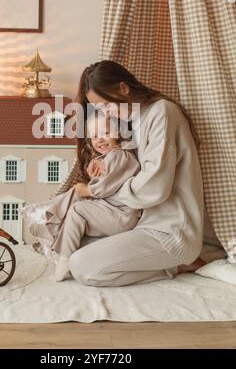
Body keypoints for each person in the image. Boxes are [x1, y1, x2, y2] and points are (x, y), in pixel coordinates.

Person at [66, 60, 207, 287]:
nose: (106, 113)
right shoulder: (133, 120)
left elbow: (154, 187)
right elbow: (127, 167)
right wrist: (103, 167)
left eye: (107, 105)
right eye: (100, 109)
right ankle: (167, 262)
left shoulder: (162, 112)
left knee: (81, 266)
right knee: (74, 239)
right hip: (142, 224)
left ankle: (176, 265)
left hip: (171, 232)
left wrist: (97, 191)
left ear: (123, 88)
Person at [22, 111, 142, 281]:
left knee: (78, 207)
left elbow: (105, 187)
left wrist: (87, 189)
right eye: (94, 136)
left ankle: (60, 248)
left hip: (121, 215)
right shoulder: (109, 158)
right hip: (112, 211)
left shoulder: (120, 155)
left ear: (119, 132)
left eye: (105, 133)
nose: (99, 139)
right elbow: (110, 185)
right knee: (76, 203)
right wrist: (93, 179)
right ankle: (56, 233)